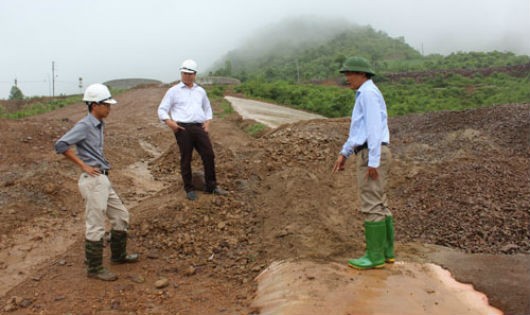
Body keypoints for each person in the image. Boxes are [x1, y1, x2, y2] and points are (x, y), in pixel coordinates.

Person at [54, 83, 139, 281]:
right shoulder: (84, 125)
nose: (109, 108)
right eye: (106, 105)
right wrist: (82, 165)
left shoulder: (99, 125)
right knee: (95, 225)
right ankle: (94, 268)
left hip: (102, 179)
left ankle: (118, 256)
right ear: (94, 105)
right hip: (93, 180)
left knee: (121, 215)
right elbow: (60, 145)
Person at [332, 56, 395, 270]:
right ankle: (387, 252)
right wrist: (345, 153)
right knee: (380, 202)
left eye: (350, 73)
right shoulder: (367, 93)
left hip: (371, 152)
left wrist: (373, 160)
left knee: (371, 203)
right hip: (370, 151)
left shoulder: (367, 94)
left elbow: (373, 128)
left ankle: (374, 256)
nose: (347, 78)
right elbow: (359, 130)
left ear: (362, 74)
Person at [157, 59, 227, 201]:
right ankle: (189, 188)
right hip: (183, 128)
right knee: (186, 158)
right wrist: (170, 123)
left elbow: (208, 109)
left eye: (190, 74)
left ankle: (211, 186)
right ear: (181, 73)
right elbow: (162, 109)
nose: (187, 76)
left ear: (195, 74)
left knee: (209, 155)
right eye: (184, 73)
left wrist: (207, 123)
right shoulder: (173, 91)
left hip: (199, 127)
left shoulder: (200, 91)